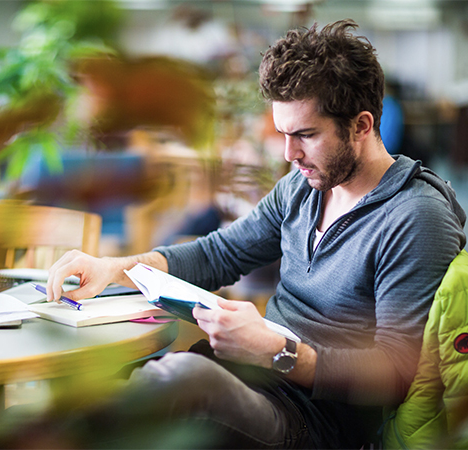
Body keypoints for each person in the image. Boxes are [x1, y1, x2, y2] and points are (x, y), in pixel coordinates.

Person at [44, 20, 466, 449]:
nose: (289, 154)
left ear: (361, 125)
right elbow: (218, 255)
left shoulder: (415, 218)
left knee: (184, 382)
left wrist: (276, 350)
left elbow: (396, 374)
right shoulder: (303, 186)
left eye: (305, 135)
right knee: (110, 384)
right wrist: (116, 268)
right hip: (257, 381)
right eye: (284, 134)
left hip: (319, 421)